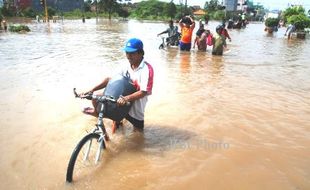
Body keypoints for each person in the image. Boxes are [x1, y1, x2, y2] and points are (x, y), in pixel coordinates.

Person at [81, 38, 154, 133]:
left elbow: (144, 92)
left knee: (138, 133)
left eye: (132, 53)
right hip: (120, 104)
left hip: (135, 109)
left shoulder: (147, 70)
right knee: (97, 97)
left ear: (140, 53)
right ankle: (105, 118)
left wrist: (126, 99)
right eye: (127, 53)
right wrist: (91, 90)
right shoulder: (127, 65)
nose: (128, 56)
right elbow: (111, 80)